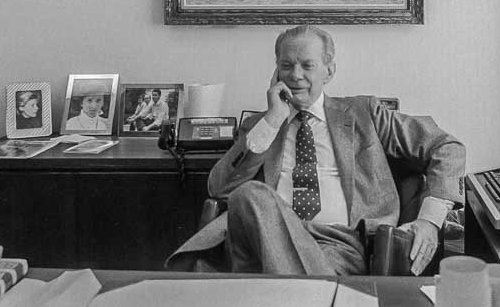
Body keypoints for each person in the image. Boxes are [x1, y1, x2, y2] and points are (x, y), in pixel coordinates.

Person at [167, 25, 465, 276]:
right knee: (249, 195)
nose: (295, 75)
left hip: (336, 244)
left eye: (307, 65)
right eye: (286, 65)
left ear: (329, 70)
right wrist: (273, 119)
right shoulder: (261, 126)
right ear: (276, 71)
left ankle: (285, 305)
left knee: (257, 278)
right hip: (264, 238)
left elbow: (446, 147)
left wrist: (429, 220)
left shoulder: (365, 113)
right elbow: (219, 188)